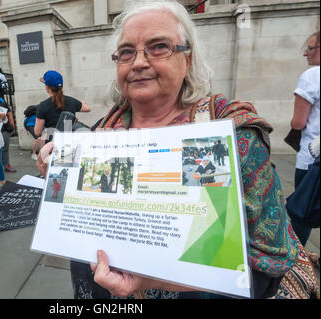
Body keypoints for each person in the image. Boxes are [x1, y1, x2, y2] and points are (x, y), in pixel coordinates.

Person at [36, 0, 299, 299]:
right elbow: (70, 215)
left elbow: (267, 266)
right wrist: (55, 177)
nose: (138, 63)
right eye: (126, 52)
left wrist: (157, 280)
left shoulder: (217, 135)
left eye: (158, 47)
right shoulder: (101, 132)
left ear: (187, 60)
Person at [289, 31, 320, 247]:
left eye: (310, 48)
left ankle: (294, 265)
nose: (305, 53)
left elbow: (298, 123)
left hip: (312, 160)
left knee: (303, 212)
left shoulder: (312, 76)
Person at [34, 70, 91, 141]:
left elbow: (37, 132)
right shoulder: (71, 101)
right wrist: (82, 103)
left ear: (47, 87)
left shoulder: (43, 106)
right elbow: (88, 109)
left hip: (52, 145)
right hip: (70, 142)